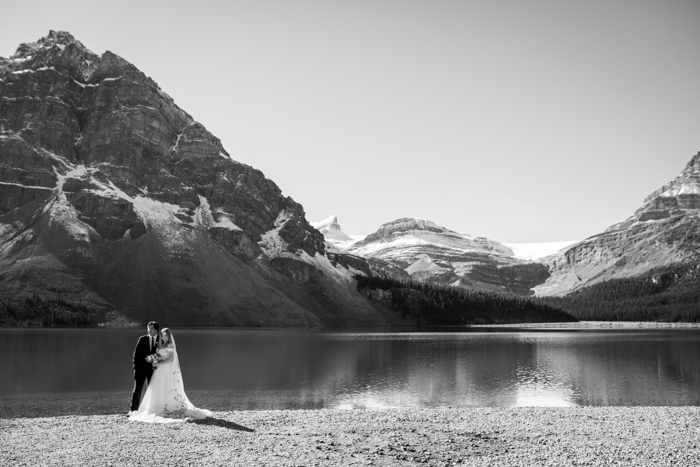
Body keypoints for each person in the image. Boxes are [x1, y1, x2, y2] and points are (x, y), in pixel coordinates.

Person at [129, 327, 212, 423]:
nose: (164, 337)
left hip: (166, 369)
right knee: (159, 387)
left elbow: (170, 359)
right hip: (159, 370)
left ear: (169, 336)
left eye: (166, 335)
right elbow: (161, 356)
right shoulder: (162, 344)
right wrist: (155, 359)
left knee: (167, 387)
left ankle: (168, 407)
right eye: (163, 335)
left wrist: (157, 363)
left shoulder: (170, 344)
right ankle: (159, 405)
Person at [129, 321, 160, 414]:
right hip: (140, 369)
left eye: (151, 328)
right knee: (137, 390)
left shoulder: (160, 339)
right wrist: (135, 366)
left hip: (153, 370)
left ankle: (151, 410)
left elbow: (162, 354)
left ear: (156, 330)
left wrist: (156, 360)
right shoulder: (142, 339)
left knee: (152, 390)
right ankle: (133, 410)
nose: (149, 330)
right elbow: (136, 353)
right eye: (148, 328)